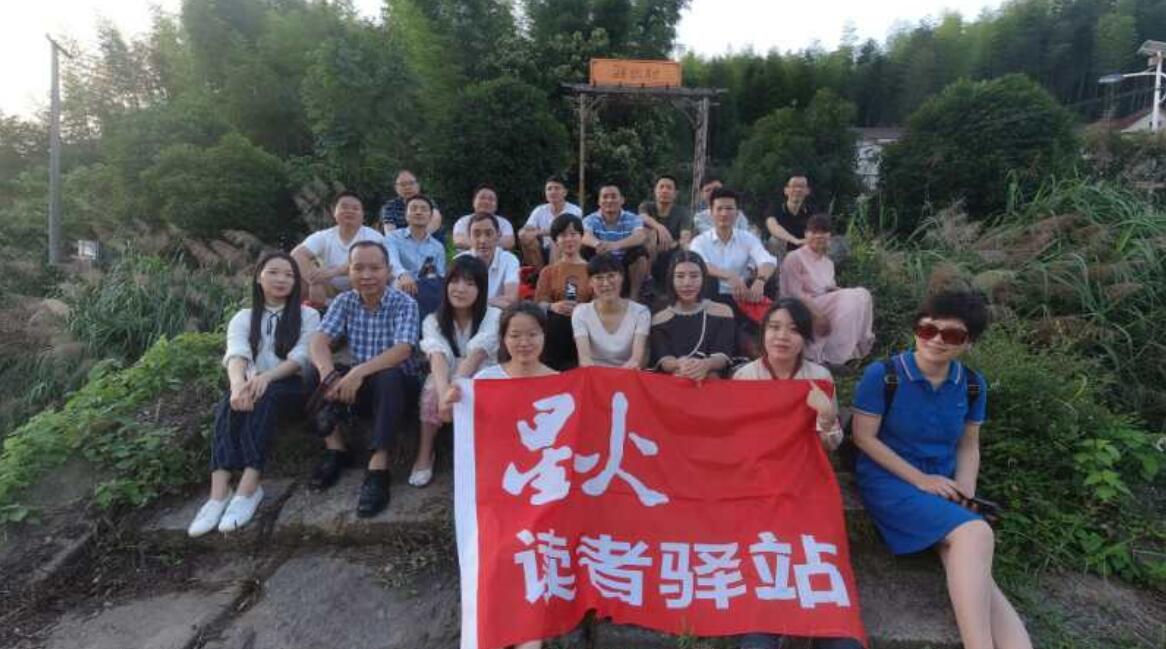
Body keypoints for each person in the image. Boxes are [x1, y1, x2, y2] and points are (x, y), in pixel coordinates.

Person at [851, 291, 1031, 649]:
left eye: (951, 335)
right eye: (927, 329)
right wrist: (921, 480)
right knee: (976, 534)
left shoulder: (973, 384)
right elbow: (863, 438)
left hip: (943, 484)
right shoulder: (884, 375)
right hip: (890, 480)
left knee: (970, 559)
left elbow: (968, 445)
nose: (936, 340)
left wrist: (965, 490)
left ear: (968, 342)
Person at [732, 298, 858, 649]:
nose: (782, 337)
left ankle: (824, 625)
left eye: (793, 329)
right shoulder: (745, 377)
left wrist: (827, 417)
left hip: (806, 480)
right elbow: (734, 441)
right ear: (763, 333)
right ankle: (765, 623)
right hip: (758, 483)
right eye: (774, 327)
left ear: (805, 337)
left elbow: (831, 444)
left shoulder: (819, 377)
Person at [446, 301, 556, 649]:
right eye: (515, 335)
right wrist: (454, 400)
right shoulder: (485, 381)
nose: (524, 343)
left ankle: (529, 636)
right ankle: (493, 628)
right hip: (495, 495)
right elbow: (462, 426)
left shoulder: (561, 384)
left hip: (544, 497)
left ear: (544, 336)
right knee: (494, 556)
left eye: (532, 334)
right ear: (503, 339)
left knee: (536, 558)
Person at [188, 252, 321, 537]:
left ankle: (249, 487)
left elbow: (302, 357)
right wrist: (238, 385)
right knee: (228, 403)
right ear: (259, 277)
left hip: (293, 386)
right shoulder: (243, 317)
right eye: (273, 272)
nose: (281, 279)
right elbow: (237, 353)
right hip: (252, 383)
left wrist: (267, 377)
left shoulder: (308, 315)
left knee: (267, 395)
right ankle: (218, 493)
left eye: (289, 275)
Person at [308, 241, 420, 518]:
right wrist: (328, 376)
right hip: (359, 386)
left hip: (397, 386)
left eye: (375, 268)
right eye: (358, 268)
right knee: (311, 371)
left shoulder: (404, 302)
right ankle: (336, 450)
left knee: (388, 375)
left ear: (388, 271)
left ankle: (379, 467)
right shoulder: (345, 301)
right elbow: (319, 341)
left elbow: (402, 350)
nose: (367, 275)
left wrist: (357, 373)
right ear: (349, 271)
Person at [411, 256, 500, 487]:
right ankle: (425, 452)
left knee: (479, 387)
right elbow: (437, 356)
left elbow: (477, 355)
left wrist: (454, 387)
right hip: (447, 374)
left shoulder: (494, 316)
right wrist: (443, 394)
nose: (460, 289)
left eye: (470, 283)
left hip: (481, 372)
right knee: (432, 388)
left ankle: (487, 454)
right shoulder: (432, 320)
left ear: (481, 289)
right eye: (455, 281)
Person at [779, 213, 874, 367]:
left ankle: (852, 351)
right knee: (851, 297)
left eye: (823, 232)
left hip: (822, 302)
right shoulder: (794, 257)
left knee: (863, 295)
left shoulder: (828, 263)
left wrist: (845, 292)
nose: (819, 236)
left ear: (829, 236)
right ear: (806, 234)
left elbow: (828, 288)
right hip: (799, 307)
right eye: (814, 231)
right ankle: (832, 358)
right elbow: (793, 294)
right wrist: (817, 314)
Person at [649, 250, 736, 381]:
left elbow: (723, 355)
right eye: (680, 276)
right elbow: (664, 359)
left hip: (713, 379)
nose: (687, 283)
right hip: (674, 379)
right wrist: (679, 364)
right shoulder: (659, 319)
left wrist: (706, 364)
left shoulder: (723, 312)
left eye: (694, 276)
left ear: (704, 278)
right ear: (671, 279)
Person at [291, 191, 385, 307]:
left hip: (363, 285)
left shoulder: (373, 236)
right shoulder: (324, 236)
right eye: (344, 207)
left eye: (355, 208)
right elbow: (297, 254)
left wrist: (333, 272)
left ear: (362, 214)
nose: (349, 211)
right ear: (333, 212)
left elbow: (365, 264)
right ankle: (304, 312)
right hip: (330, 288)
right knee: (298, 279)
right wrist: (314, 281)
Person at [533, 214, 593, 370]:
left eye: (573, 234)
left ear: (581, 237)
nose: (569, 239)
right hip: (556, 328)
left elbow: (599, 303)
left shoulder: (592, 270)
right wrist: (553, 306)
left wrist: (582, 309)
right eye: (563, 235)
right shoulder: (548, 271)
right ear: (556, 241)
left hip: (586, 325)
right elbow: (538, 304)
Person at [572, 252, 651, 369]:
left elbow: (635, 360)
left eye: (611, 276)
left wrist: (616, 377)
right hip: (594, 374)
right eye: (599, 278)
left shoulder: (641, 312)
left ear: (622, 278)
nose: (606, 283)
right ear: (590, 282)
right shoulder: (581, 312)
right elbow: (585, 360)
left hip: (628, 374)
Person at [581, 183, 650, 302]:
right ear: (599, 201)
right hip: (599, 260)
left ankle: (634, 297)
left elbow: (640, 236)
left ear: (622, 200)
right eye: (605, 197)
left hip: (624, 263)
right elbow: (585, 235)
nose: (609, 200)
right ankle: (593, 296)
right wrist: (597, 244)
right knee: (583, 249)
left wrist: (615, 245)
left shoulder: (633, 218)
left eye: (613, 196)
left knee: (640, 252)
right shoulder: (590, 219)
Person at [385, 194, 446, 320]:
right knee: (400, 284)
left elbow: (439, 275)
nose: (418, 212)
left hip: (424, 291)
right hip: (399, 287)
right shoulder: (393, 238)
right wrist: (403, 274)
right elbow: (392, 260)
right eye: (413, 208)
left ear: (430, 216)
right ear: (406, 215)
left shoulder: (437, 247)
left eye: (423, 209)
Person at [455, 212, 520, 308]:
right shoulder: (460, 261)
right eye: (476, 234)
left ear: (498, 235)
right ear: (469, 236)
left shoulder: (509, 260)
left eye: (489, 234)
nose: (483, 240)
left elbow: (510, 300)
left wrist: (477, 303)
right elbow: (457, 300)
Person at [519, 176, 583, 270]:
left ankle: (553, 273)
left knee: (556, 238)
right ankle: (538, 274)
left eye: (557, 188)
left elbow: (562, 230)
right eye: (549, 189)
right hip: (543, 250)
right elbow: (526, 229)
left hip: (566, 247)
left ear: (565, 192)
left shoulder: (574, 210)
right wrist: (524, 233)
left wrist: (537, 232)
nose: (553, 192)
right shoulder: (540, 210)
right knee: (525, 237)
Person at [638, 173, 694, 257]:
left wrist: (673, 244)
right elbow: (642, 217)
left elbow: (685, 237)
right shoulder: (646, 206)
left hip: (674, 252)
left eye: (669, 188)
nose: (664, 191)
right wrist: (659, 227)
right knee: (649, 232)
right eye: (661, 187)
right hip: (648, 252)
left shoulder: (683, 212)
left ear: (675, 194)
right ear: (655, 191)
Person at [452, 184, 516, 251]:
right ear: (473, 202)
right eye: (482, 198)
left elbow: (509, 242)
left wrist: (480, 245)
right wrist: (487, 245)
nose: (486, 202)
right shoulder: (462, 221)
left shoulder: (504, 223)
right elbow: (459, 241)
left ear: (496, 205)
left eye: (491, 199)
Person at [380, 169, 443, 235]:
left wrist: (418, 237)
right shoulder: (390, 206)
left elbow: (436, 219)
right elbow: (390, 233)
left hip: (427, 237)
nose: (407, 187)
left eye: (411, 183)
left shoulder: (427, 201)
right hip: (399, 239)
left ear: (418, 185)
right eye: (403, 184)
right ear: (396, 188)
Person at [765, 173, 814, 251]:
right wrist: (795, 241)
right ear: (786, 190)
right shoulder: (775, 209)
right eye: (794, 186)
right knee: (775, 240)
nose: (798, 190)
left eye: (801, 186)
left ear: (807, 191)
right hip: (781, 251)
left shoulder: (812, 212)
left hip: (803, 250)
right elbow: (773, 227)